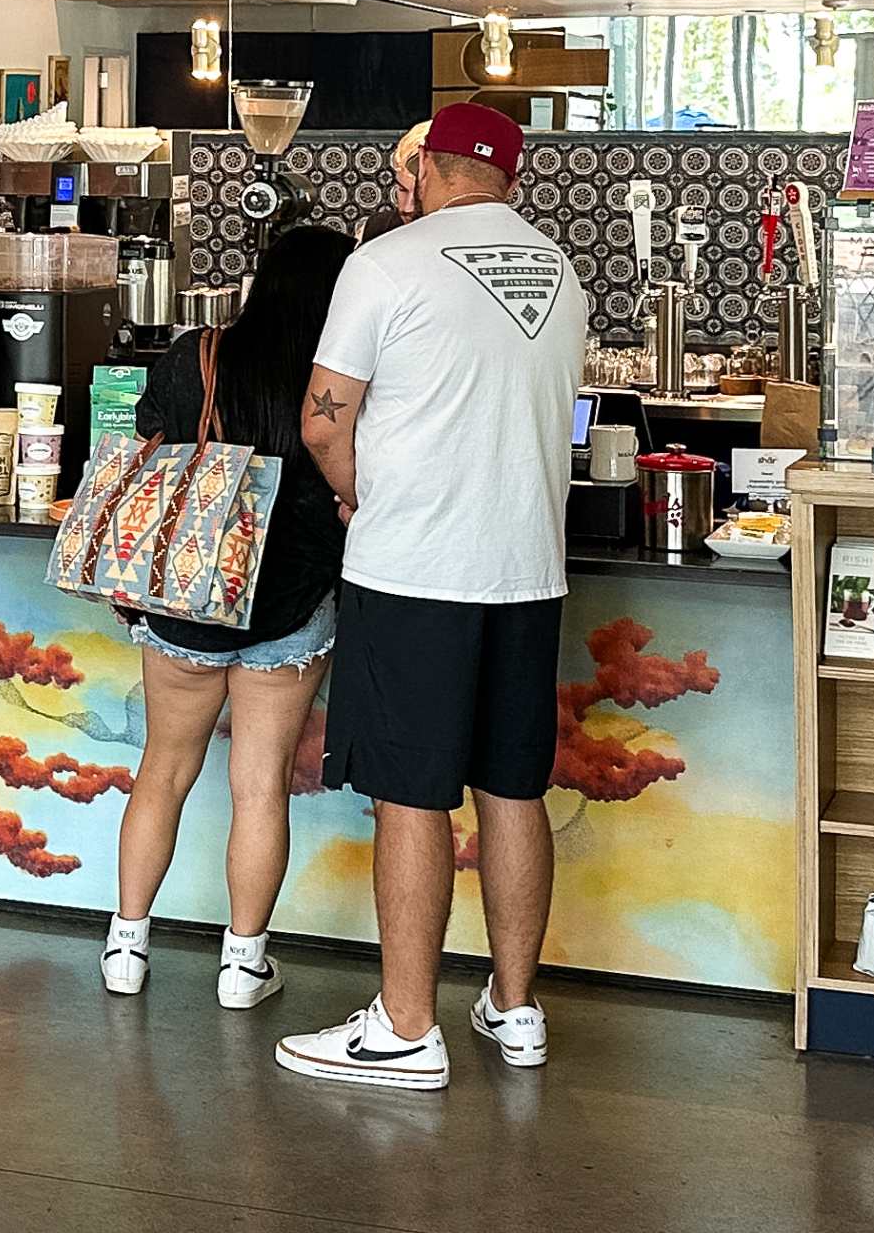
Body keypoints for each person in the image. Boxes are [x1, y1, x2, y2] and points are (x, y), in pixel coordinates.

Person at [274, 104, 582, 1091]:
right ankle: (515, 1007)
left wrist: (359, 488)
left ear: (428, 168)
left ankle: (407, 1029)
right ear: (510, 177)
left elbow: (324, 420)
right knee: (511, 786)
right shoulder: (561, 273)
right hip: (528, 572)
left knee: (411, 794)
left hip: (414, 571)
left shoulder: (388, 263)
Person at [98, 223, 358, 1010]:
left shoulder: (195, 355)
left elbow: (146, 445)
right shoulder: (336, 379)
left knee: (163, 771)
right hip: (290, 604)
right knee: (260, 787)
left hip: (187, 599)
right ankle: (243, 967)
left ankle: (126, 947)